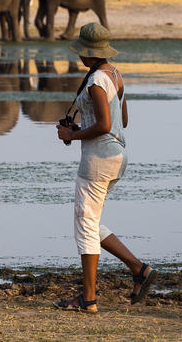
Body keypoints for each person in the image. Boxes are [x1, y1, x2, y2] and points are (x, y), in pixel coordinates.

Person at [54, 22, 157, 313]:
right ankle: (139, 269)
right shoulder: (114, 74)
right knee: (90, 221)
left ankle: (88, 299)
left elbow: (105, 124)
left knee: (85, 225)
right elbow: (121, 119)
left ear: (88, 53)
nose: (79, 57)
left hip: (98, 160)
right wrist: (80, 127)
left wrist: (73, 135)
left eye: (81, 52)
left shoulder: (97, 80)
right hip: (117, 157)